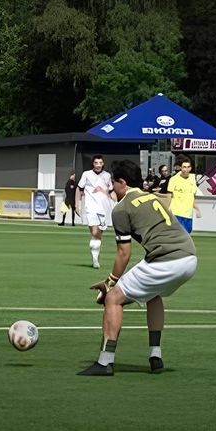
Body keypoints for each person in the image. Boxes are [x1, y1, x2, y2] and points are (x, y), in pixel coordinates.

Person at [79, 159, 197, 376]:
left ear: (122, 182)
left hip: (167, 259)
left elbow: (124, 253)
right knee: (153, 294)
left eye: (113, 182)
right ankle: (155, 354)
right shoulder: (151, 196)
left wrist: (110, 283)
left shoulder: (121, 208)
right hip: (189, 257)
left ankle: (105, 362)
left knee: (114, 298)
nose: (111, 187)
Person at [75, 155, 115, 269]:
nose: (98, 165)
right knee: (94, 232)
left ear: (103, 164)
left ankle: (95, 256)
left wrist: (114, 203)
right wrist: (76, 204)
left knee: (98, 235)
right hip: (90, 207)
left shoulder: (107, 176)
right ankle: (95, 259)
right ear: (93, 164)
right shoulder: (86, 174)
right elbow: (79, 188)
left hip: (104, 208)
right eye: (96, 162)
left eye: (100, 162)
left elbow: (111, 191)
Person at [169, 158, 202, 233]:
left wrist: (197, 209)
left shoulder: (192, 179)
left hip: (188, 214)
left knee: (187, 235)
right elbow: (169, 196)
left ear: (190, 168)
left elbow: (191, 197)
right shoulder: (173, 179)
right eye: (184, 167)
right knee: (178, 236)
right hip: (176, 213)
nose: (186, 169)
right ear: (180, 168)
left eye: (188, 167)